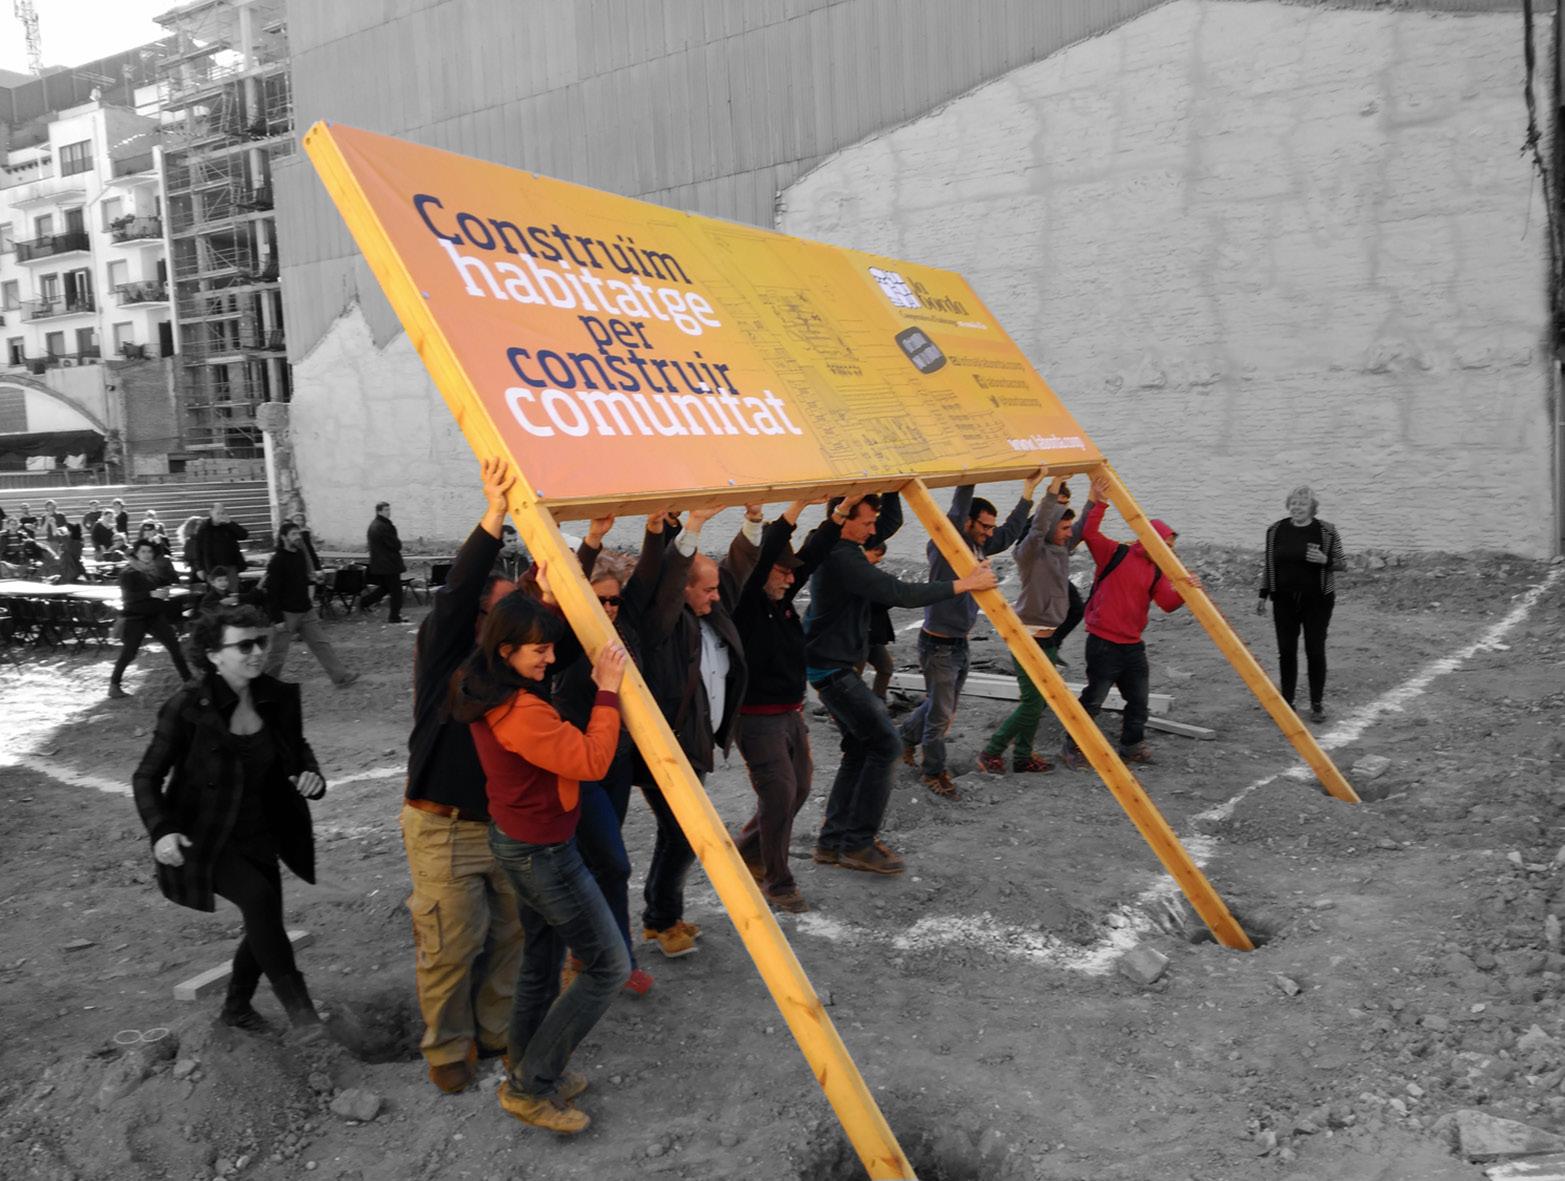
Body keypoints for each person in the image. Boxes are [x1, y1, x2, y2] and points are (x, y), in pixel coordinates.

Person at [451, 592, 630, 1135]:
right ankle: (530, 1086)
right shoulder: (520, 710)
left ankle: (525, 1062)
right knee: (608, 967)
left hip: (522, 841)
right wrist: (607, 692)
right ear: (506, 650)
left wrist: (548, 594)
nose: (551, 660)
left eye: (550, 649)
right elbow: (591, 760)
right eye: (540, 651)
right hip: (543, 853)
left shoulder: (484, 680)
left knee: (541, 960)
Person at [132, 604, 331, 1036]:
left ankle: (236, 1008)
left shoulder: (276, 697)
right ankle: (304, 1017)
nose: (257, 652)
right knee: (259, 901)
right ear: (213, 655)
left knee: (266, 918)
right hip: (205, 836)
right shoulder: (187, 707)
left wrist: (311, 775)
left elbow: (297, 750)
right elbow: (146, 777)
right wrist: (161, 831)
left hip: (262, 831)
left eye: (261, 642)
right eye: (244, 646)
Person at [401, 459, 526, 1094]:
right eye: (505, 610)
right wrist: (494, 516)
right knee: (451, 943)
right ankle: (448, 1048)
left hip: (503, 825)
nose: (519, 622)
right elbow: (455, 594)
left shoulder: (516, 666)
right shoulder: (446, 656)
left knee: (511, 934)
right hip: (443, 827)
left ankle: (496, 1031)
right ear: (479, 617)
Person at [804, 495, 997, 874]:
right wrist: (965, 583)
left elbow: (890, 520)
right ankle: (858, 843)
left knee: (859, 750)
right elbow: (901, 594)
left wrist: (890, 484)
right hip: (831, 669)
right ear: (843, 520)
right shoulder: (840, 557)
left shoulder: (843, 542)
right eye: (866, 523)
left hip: (833, 664)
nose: (873, 530)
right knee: (887, 745)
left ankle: (831, 842)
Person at [635, 506, 757, 956]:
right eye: (707, 589)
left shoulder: (712, 614)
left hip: (695, 747)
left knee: (677, 834)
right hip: (667, 751)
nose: (716, 596)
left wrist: (756, 520)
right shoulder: (665, 624)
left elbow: (737, 570)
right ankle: (661, 920)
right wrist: (692, 527)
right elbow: (667, 582)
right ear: (682, 590)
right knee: (685, 832)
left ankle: (660, 916)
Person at [554, 518, 661, 995]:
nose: (609, 608)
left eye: (614, 600)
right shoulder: (567, 639)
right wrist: (591, 542)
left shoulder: (626, 633)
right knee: (613, 864)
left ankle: (586, 950)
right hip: (580, 768)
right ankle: (618, 958)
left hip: (615, 764)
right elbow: (566, 584)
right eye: (599, 600)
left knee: (598, 860)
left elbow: (654, 576)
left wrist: (661, 528)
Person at [900, 475, 1041, 799]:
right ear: (967, 522)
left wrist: (1028, 494)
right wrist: (969, 476)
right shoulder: (945, 545)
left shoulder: (980, 544)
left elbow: (1008, 533)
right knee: (941, 716)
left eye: (990, 527)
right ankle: (933, 772)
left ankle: (903, 738)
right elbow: (956, 508)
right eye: (984, 526)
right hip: (938, 645)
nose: (989, 533)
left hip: (959, 643)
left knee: (941, 706)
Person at [731, 498, 837, 913]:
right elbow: (764, 557)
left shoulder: (782, 602)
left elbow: (812, 556)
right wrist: (795, 508)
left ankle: (747, 849)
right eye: (782, 570)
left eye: (793, 573)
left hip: (791, 714)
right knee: (779, 795)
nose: (791, 577)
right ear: (762, 573)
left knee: (800, 788)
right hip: (758, 720)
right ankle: (778, 881)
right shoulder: (747, 604)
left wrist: (838, 516)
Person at [1059, 475, 1198, 769]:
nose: (1169, 552)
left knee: (1138, 701)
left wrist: (1187, 590)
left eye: (1171, 548)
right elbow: (1090, 534)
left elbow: (1167, 603)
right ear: (1150, 539)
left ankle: (1131, 745)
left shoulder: (1157, 570)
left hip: (1132, 645)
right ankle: (1073, 745)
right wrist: (1100, 502)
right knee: (1094, 699)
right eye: (1166, 545)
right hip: (1103, 642)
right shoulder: (1116, 552)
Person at [979, 475, 1075, 775]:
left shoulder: (1060, 552)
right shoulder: (1030, 553)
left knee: (1041, 701)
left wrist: (1098, 501)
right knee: (1033, 702)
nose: (1069, 534)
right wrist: (1051, 491)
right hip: (1027, 639)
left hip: (1047, 639)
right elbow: (1038, 528)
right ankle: (992, 751)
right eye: (1064, 528)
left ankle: (1022, 757)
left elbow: (1080, 528)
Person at [1257, 484, 1345, 724]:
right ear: (1288, 505)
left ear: (1312, 508)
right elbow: (1270, 564)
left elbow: (1342, 563)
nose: (1297, 507)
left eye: (1303, 504)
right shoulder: (1275, 530)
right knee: (1286, 651)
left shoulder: (1326, 531)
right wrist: (1263, 594)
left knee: (1314, 650)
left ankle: (1316, 704)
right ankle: (1287, 702)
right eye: (1294, 503)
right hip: (1283, 600)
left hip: (1317, 600)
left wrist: (1325, 560)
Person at [262, 524, 358, 688]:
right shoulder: (277, 561)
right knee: (277, 653)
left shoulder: (299, 554)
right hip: (286, 613)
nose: (298, 537)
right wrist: (277, 618)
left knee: (322, 645)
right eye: (293, 534)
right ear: (284, 537)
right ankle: (265, 686)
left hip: (305, 610)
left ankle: (341, 676)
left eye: (298, 533)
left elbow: (302, 579)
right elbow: (272, 591)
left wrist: (313, 580)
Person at [110, 539, 193, 698]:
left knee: (174, 646)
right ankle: (114, 684)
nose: (147, 555)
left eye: (149, 552)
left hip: (154, 616)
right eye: (143, 551)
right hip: (135, 617)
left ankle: (188, 679)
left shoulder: (152, 570)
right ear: (136, 553)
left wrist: (166, 588)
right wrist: (151, 594)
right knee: (129, 652)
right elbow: (128, 598)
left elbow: (164, 582)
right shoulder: (128, 573)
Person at [359, 500, 406, 623]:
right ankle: (394, 616)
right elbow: (395, 545)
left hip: (381, 563)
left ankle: (364, 602)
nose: (389, 512)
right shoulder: (383, 526)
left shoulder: (375, 524)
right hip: (389, 564)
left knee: (385, 588)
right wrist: (397, 542)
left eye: (389, 509)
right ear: (379, 511)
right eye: (386, 510)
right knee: (396, 591)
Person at [192, 503, 249, 583]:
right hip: (212, 566)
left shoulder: (229, 526)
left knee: (232, 588)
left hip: (231, 565)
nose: (221, 516)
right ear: (211, 513)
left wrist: (230, 523)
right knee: (217, 589)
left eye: (223, 513)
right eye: (218, 513)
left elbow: (243, 535)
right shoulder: (204, 528)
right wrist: (199, 568)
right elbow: (198, 550)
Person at [201, 565, 266, 613]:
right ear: (212, 583)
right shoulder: (208, 597)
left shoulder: (229, 593)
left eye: (226, 580)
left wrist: (260, 584)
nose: (223, 583)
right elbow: (205, 609)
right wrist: (221, 603)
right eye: (219, 580)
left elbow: (248, 597)